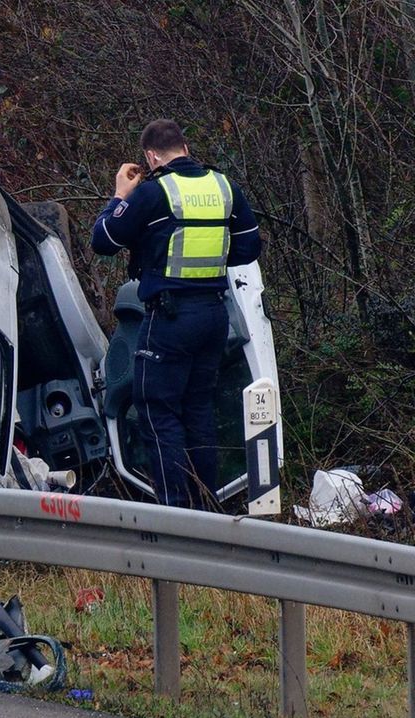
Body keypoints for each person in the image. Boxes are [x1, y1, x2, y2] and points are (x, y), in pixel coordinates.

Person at [90, 119, 261, 509]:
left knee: (157, 409)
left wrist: (120, 195)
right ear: (185, 147)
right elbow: (249, 248)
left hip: (170, 318)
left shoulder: (152, 194)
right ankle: (206, 509)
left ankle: (175, 515)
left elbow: (103, 240)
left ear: (151, 157)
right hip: (214, 317)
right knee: (198, 410)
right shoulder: (225, 187)